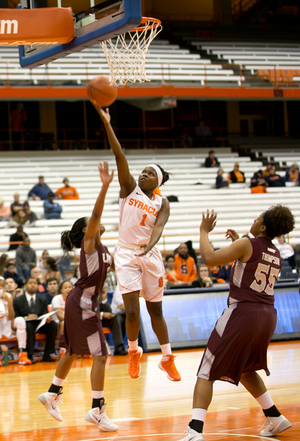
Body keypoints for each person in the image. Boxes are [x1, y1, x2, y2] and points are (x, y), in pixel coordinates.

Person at [178, 204, 295, 441]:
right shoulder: (275, 252)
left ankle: (194, 431)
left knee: (206, 370)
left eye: (258, 217)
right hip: (268, 315)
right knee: (247, 369)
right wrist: (238, 245)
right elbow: (250, 266)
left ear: (262, 226)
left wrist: (203, 232)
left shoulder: (246, 245)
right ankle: (274, 417)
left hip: (242, 313)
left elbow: (210, 259)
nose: (253, 218)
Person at [97, 106, 181, 382]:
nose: (143, 175)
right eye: (142, 171)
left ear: (158, 182)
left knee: (155, 309)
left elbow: (159, 227)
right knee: (132, 310)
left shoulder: (162, 202)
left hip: (150, 254)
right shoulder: (128, 188)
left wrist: (149, 245)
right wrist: (107, 123)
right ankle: (134, 352)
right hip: (125, 254)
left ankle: (167, 358)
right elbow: (119, 154)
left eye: (149, 173)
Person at [38, 160, 118, 432]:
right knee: (99, 355)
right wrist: (104, 187)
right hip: (82, 302)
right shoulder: (90, 241)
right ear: (87, 229)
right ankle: (97, 409)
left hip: (83, 301)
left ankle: (51, 394)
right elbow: (95, 214)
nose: (97, 222)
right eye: (92, 223)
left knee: (73, 351)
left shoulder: (104, 247)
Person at [13, 277, 58, 364]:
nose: (33, 285)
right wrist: (26, 318)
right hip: (26, 324)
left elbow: (45, 313)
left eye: (35, 283)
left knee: (53, 325)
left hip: (39, 323)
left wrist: (47, 319)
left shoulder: (42, 299)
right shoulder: (17, 300)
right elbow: (16, 316)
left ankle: (47, 354)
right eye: (30, 283)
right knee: (29, 327)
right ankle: (29, 355)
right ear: (25, 286)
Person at [0, 276, 31, 365]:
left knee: (20, 320)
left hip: (8, 325)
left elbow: (11, 316)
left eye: (2, 286)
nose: (1, 288)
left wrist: (9, 302)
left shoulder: (8, 296)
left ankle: (22, 354)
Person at [99, 288, 127, 356]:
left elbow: (109, 312)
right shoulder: (87, 294)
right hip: (91, 321)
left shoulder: (100, 295)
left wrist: (104, 299)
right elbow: (87, 312)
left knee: (116, 318)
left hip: (100, 320)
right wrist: (102, 314)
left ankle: (118, 348)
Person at [51, 279, 73, 343]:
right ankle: (63, 348)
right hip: (56, 323)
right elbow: (60, 316)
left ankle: (81, 349)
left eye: (69, 287)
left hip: (71, 322)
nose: (68, 289)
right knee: (63, 323)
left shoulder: (75, 300)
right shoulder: (57, 298)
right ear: (61, 290)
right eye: (65, 288)